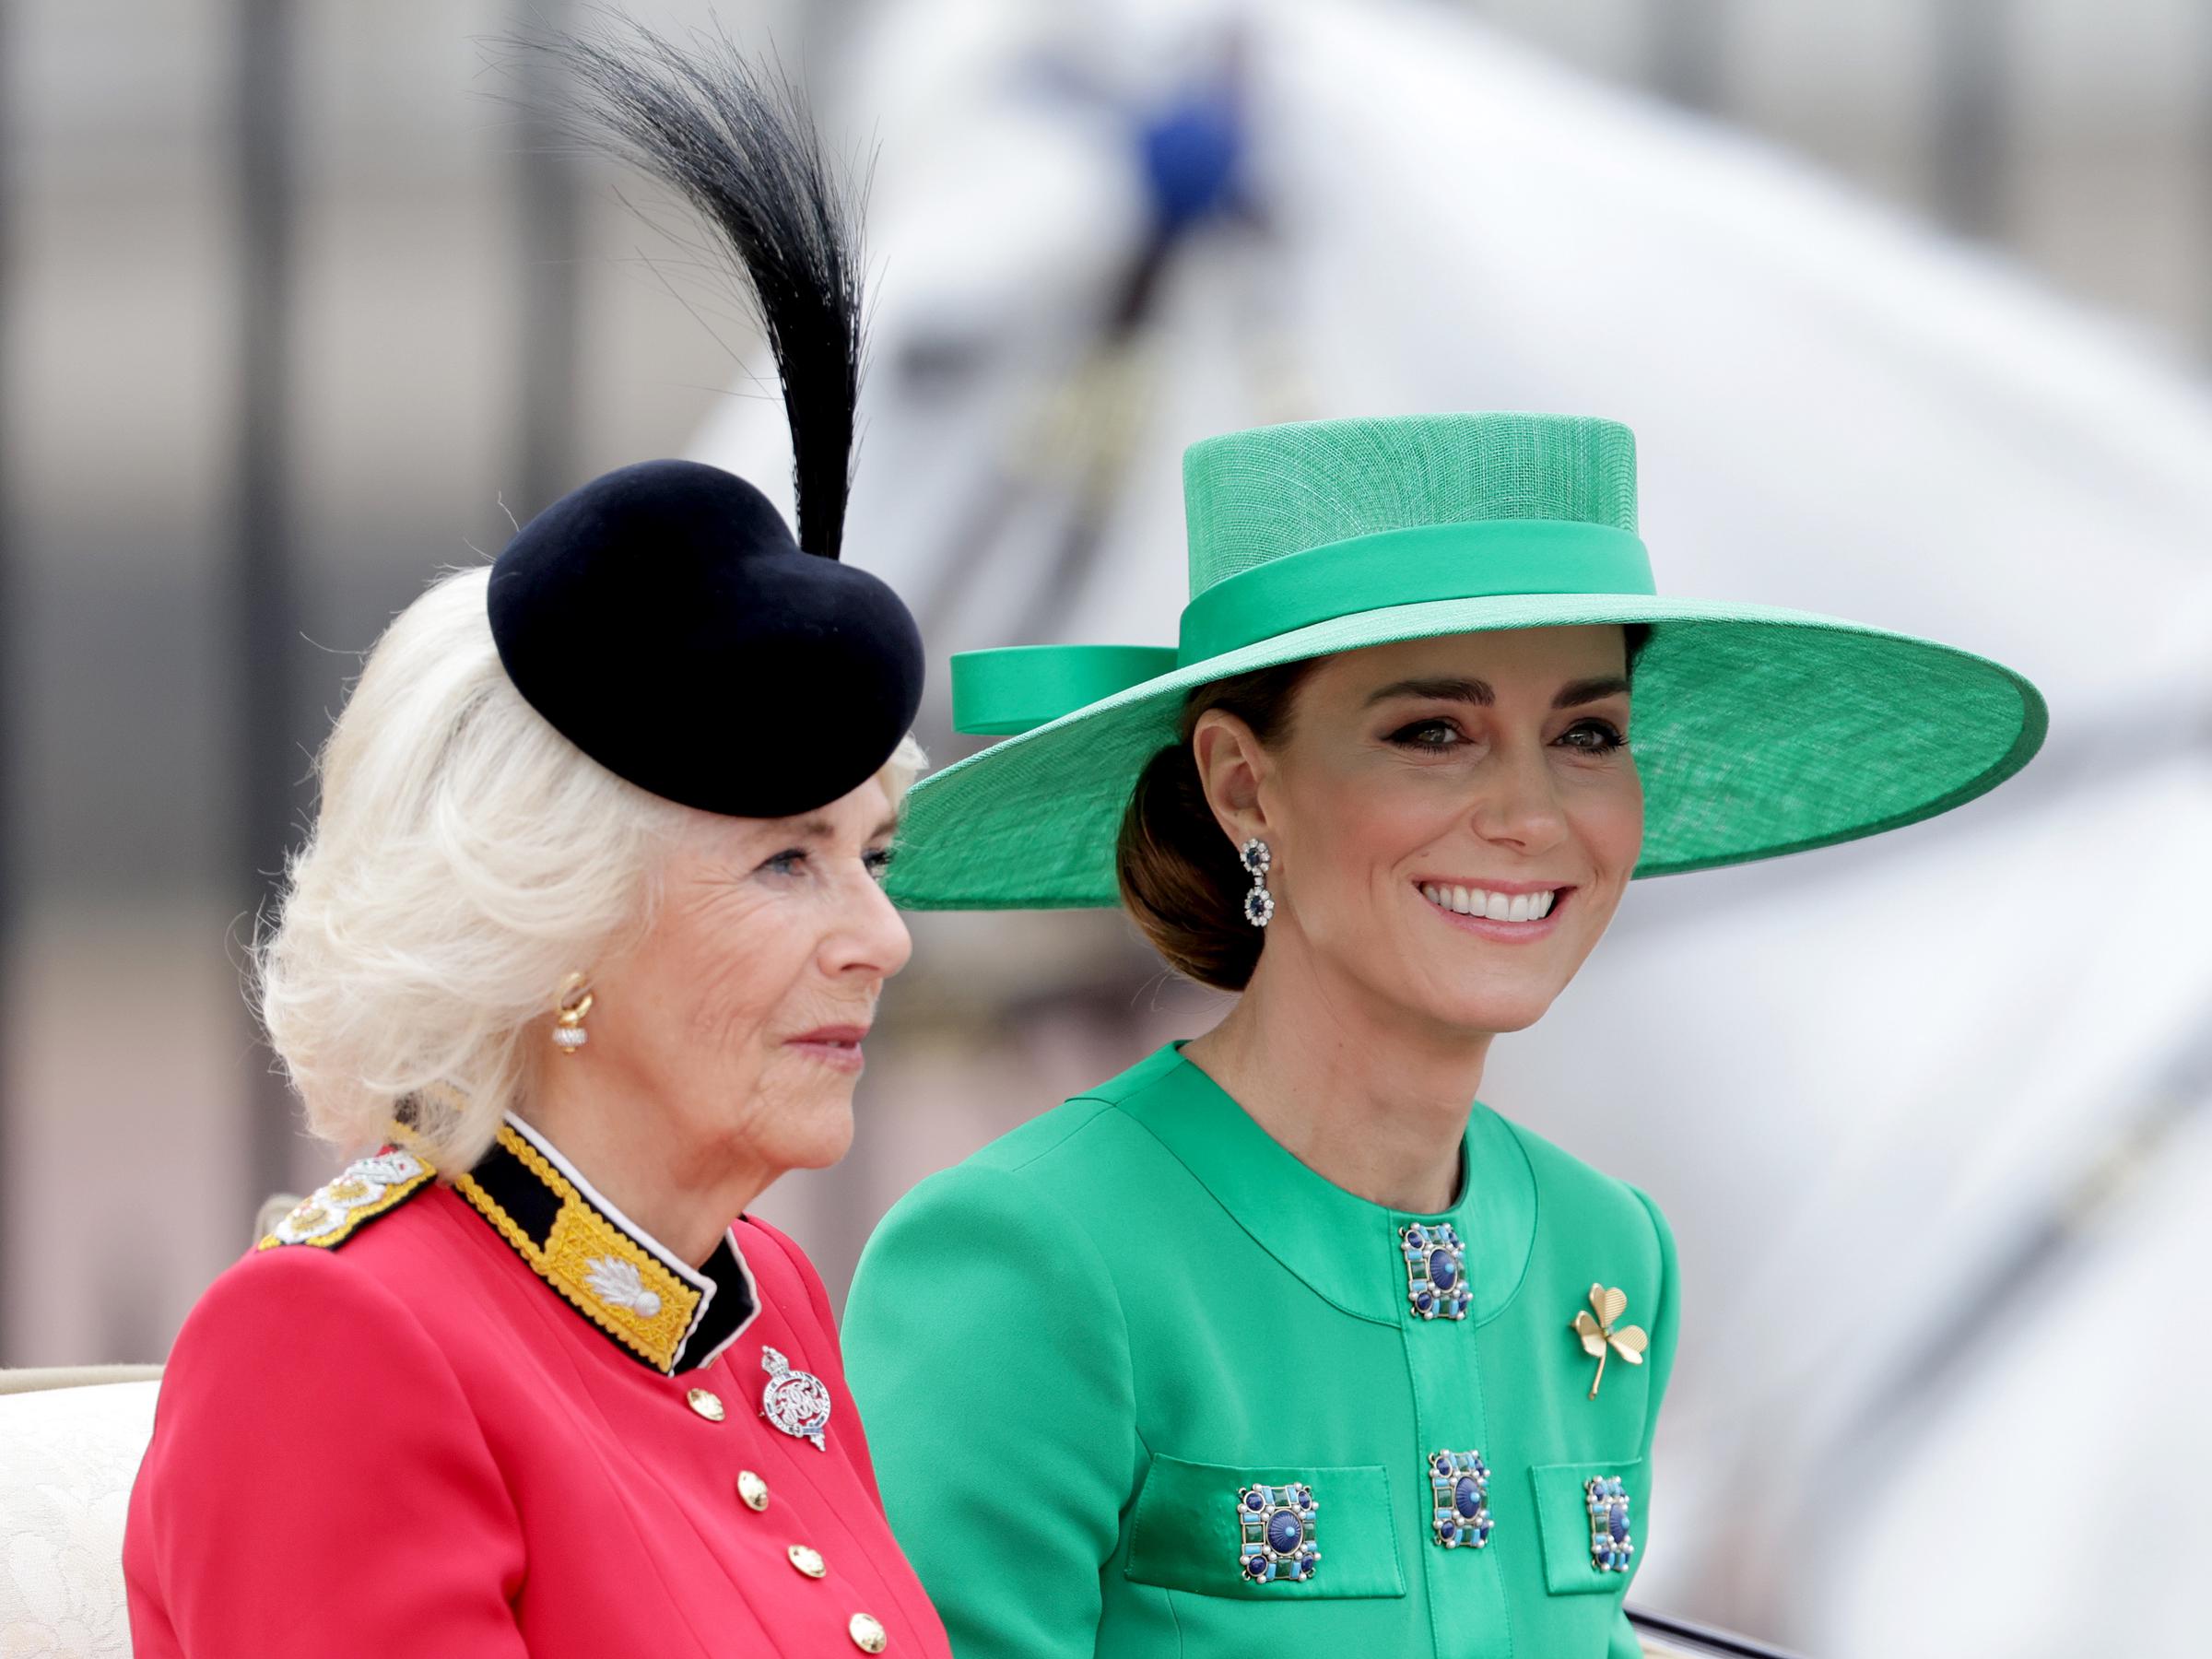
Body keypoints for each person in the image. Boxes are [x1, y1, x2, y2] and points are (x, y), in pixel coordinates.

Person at [841, 411, 2046, 1657]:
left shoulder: (1609, 1249)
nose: (1530, 815)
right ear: (1243, 783)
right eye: (1433, 734)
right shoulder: (1029, 1258)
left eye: (1586, 734)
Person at [124, 26, 950, 1657]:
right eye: (789, 858)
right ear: (552, 929)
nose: (881, 937)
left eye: (875, 857)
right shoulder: (338, 1340)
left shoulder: (758, 1302)